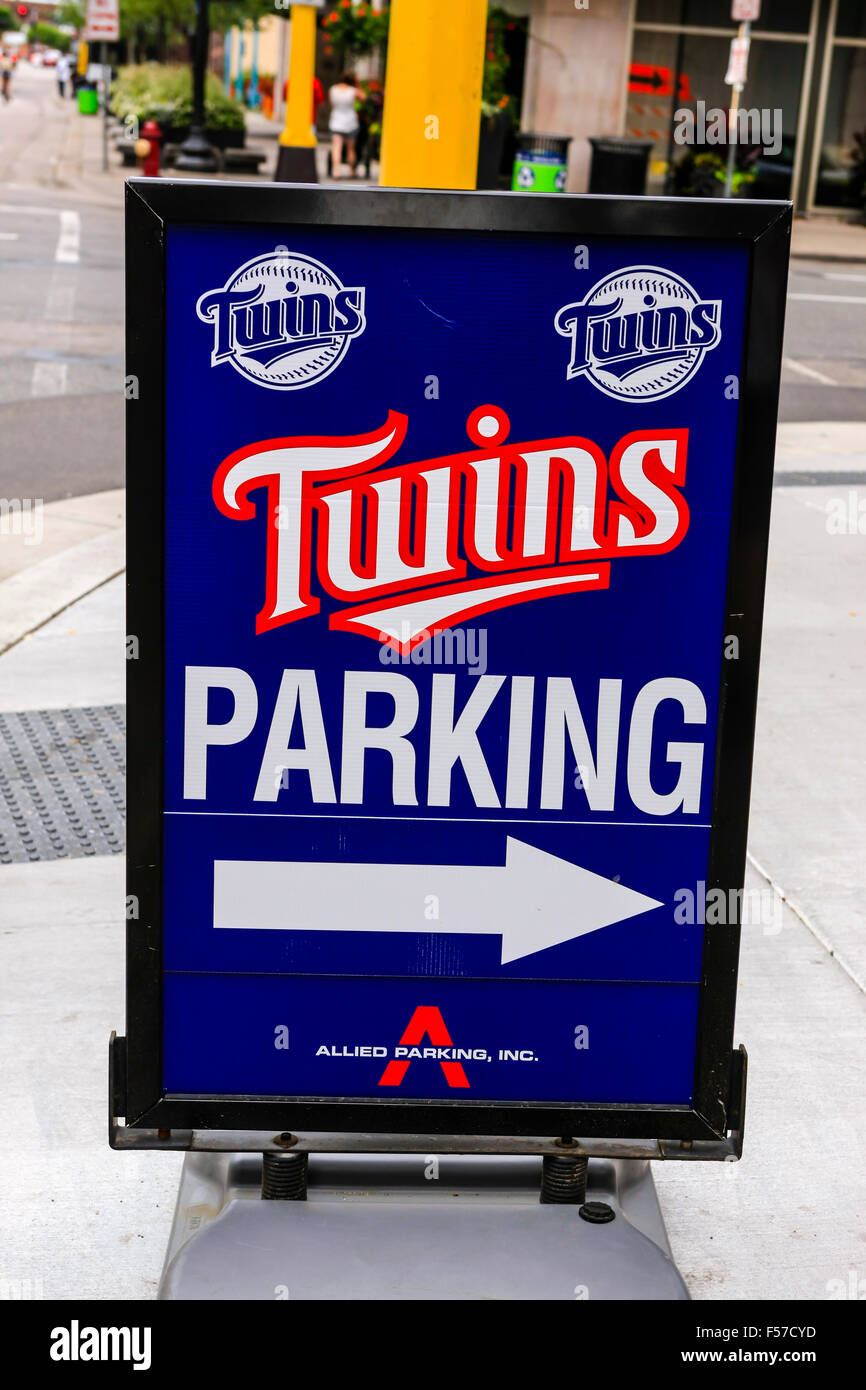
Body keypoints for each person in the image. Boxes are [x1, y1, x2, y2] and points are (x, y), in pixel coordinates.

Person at [328, 71, 364, 179]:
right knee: (351, 149)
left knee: (336, 147)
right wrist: (358, 85)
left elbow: (332, 104)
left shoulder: (333, 89)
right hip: (350, 122)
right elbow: (364, 98)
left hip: (336, 121)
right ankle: (352, 171)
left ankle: (336, 171)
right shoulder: (353, 91)